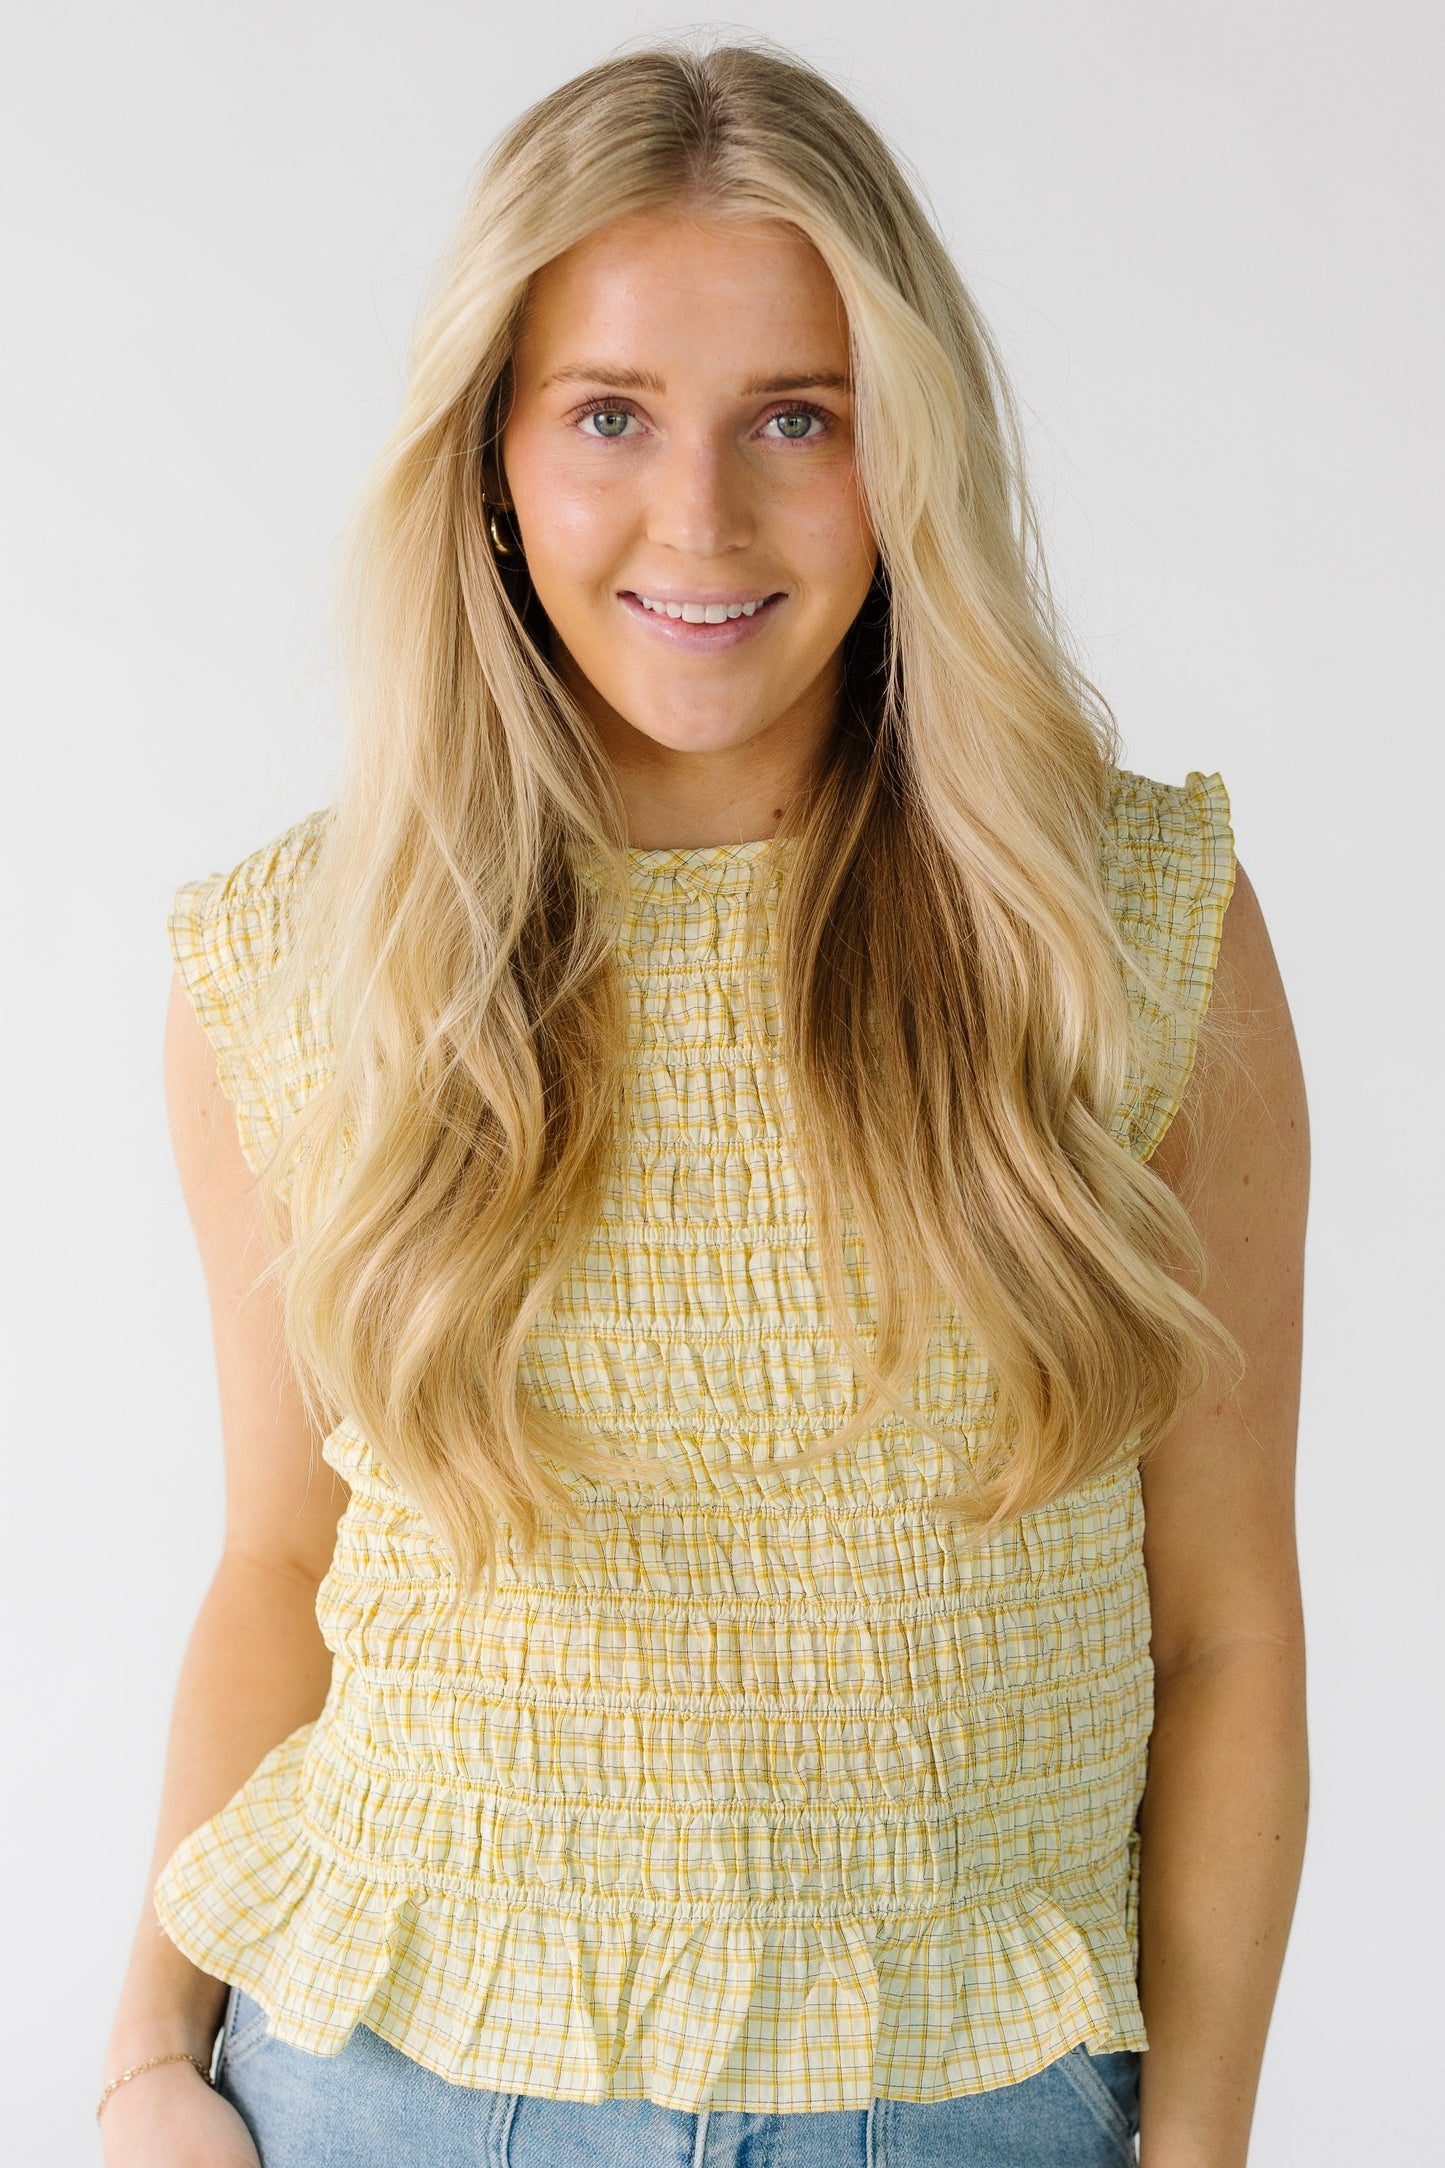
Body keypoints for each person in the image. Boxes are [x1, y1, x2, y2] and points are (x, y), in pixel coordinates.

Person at [98, 36, 1309, 2168]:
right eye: (609, 416)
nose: (701, 518)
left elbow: (1224, 1622)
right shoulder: (300, 964)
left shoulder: (1118, 923)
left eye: (796, 419)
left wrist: (1198, 2147)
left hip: (974, 2107)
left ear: (904, 450)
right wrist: (140, 2070)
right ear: (491, 455)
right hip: (385, 2090)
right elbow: (279, 1567)